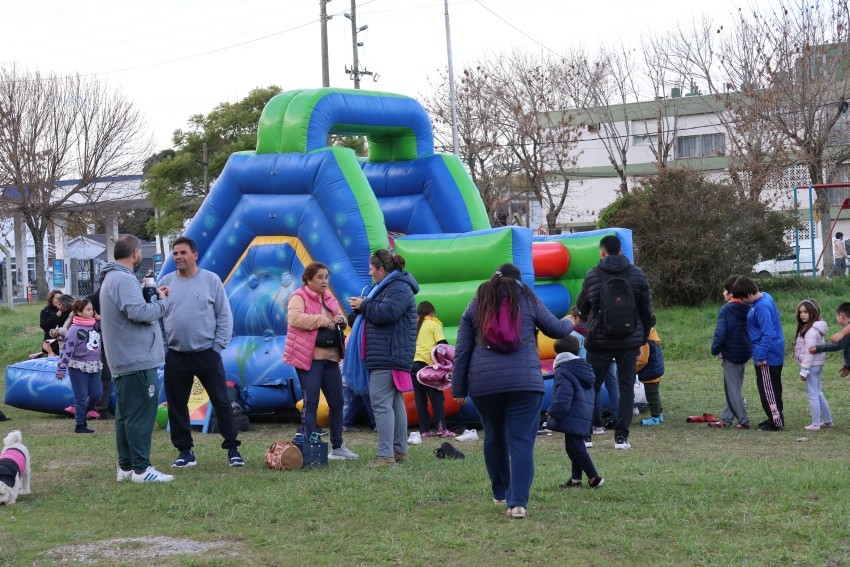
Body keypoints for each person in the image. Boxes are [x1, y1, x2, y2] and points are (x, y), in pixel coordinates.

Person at [452, 263, 572, 519]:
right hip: (525, 383)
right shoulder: (528, 298)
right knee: (520, 442)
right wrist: (571, 320)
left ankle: (500, 492)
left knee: (493, 436)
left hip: (485, 385)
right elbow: (557, 329)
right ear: (518, 281)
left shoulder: (476, 304)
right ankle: (517, 504)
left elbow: (462, 351)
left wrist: (459, 387)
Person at [160, 236, 248, 468]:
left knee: (221, 401)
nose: (178, 257)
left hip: (207, 353)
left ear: (195, 254)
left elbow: (224, 315)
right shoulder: (166, 282)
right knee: (177, 405)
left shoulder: (211, 280)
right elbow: (158, 317)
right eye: (175, 253)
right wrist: (165, 348)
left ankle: (232, 449)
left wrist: (217, 347)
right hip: (176, 355)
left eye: (183, 253)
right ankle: (185, 452)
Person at [99, 234, 174, 483]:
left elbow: (129, 307)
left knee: (125, 415)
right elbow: (138, 313)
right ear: (136, 253)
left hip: (123, 358)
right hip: (137, 359)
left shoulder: (113, 277)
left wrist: (146, 293)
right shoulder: (123, 278)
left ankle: (126, 466)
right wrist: (163, 304)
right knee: (142, 414)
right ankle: (142, 469)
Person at [577, 235, 655, 450]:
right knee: (626, 387)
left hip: (598, 341)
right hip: (629, 341)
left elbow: (582, 308)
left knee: (592, 386)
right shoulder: (637, 275)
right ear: (621, 251)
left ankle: (588, 434)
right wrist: (642, 338)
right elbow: (647, 311)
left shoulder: (592, 275)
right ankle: (621, 437)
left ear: (602, 253)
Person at [346, 249, 419, 468]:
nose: (370, 273)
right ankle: (399, 450)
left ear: (382, 269)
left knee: (380, 403)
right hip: (389, 353)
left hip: (388, 355)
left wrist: (364, 305)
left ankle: (386, 455)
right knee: (393, 402)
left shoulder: (398, 286)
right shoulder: (390, 286)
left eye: (371, 269)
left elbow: (387, 313)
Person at [283, 261, 357, 461]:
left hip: (331, 360)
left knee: (337, 402)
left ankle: (338, 446)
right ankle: (307, 446)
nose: (324, 281)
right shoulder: (298, 296)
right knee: (312, 401)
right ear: (308, 279)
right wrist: (322, 320)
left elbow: (336, 315)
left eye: (326, 277)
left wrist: (340, 319)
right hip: (310, 360)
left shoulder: (328, 296)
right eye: (320, 277)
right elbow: (295, 319)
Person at [546, 335, 603, 490]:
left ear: (557, 353)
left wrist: (552, 414)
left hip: (571, 414)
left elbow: (563, 397)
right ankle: (575, 480)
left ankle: (593, 477)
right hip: (583, 413)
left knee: (577, 448)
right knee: (572, 448)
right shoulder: (583, 368)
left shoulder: (563, 371)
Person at [730, 276, 784, 432]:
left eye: (742, 298)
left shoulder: (761, 307)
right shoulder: (764, 297)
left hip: (767, 356)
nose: (741, 301)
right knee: (771, 388)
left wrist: (761, 357)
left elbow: (768, 333)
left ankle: (775, 422)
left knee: (768, 389)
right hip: (769, 351)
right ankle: (775, 417)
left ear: (748, 294)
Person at [55, 299, 104, 434]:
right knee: (81, 396)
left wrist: (100, 320)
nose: (92, 312)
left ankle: (83, 412)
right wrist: (61, 368)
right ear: (78, 312)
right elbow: (67, 350)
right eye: (88, 310)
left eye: (92, 309)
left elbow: (107, 331)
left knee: (97, 394)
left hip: (95, 366)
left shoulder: (96, 326)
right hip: (78, 367)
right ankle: (80, 424)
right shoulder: (74, 330)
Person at [710, 275, 751, 429]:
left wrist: (714, 349)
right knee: (734, 385)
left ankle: (743, 420)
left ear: (731, 292)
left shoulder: (726, 310)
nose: (723, 293)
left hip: (731, 353)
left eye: (724, 290)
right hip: (744, 351)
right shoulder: (748, 307)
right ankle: (727, 418)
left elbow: (720, 332)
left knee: (732, 388)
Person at [408, 300, 453, 443]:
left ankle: (425, 430)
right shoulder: (434, 324)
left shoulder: (414, 326)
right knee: (437, 398)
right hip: (427, 367)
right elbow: (442, 345)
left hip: (413, 365)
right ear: (432, 313)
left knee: (420, 399)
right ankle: (441, 429)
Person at [794, 299, 832, 431]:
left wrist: (804, 370)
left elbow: (809, 352)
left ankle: (816, 423)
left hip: (811, 366)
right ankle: (827, 421)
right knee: (818, 392)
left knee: (812, 394)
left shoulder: (810, 331)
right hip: (817, 364)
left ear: (813, 313)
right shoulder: (815, 327)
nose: (802, 315)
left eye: (805, 312)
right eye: (800, 312)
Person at [85, 276, 113, 419]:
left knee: (103, 376)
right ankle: (99, 409)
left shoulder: (101, 297)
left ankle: (97, 408)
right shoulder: (94, 299)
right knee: (103, 376)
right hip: (97, 345)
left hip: (103, 343)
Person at [636, 327, 665, 426]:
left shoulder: (645, 340)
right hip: (656, 368)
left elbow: (642, 360)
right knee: (655, 394)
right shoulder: (652, 332)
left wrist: (633, 369)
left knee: (651, 395)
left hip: (650, 372)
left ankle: (655, 418)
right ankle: (659, 414)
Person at [33, 290, 72, 358]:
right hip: (51, 337)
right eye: (56, 298)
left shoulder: (67, 311)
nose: (58, 300)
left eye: (60, 298)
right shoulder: (46, 311)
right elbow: (44, 325)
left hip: (62, 337)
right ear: (51, 299)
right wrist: (56, 316)